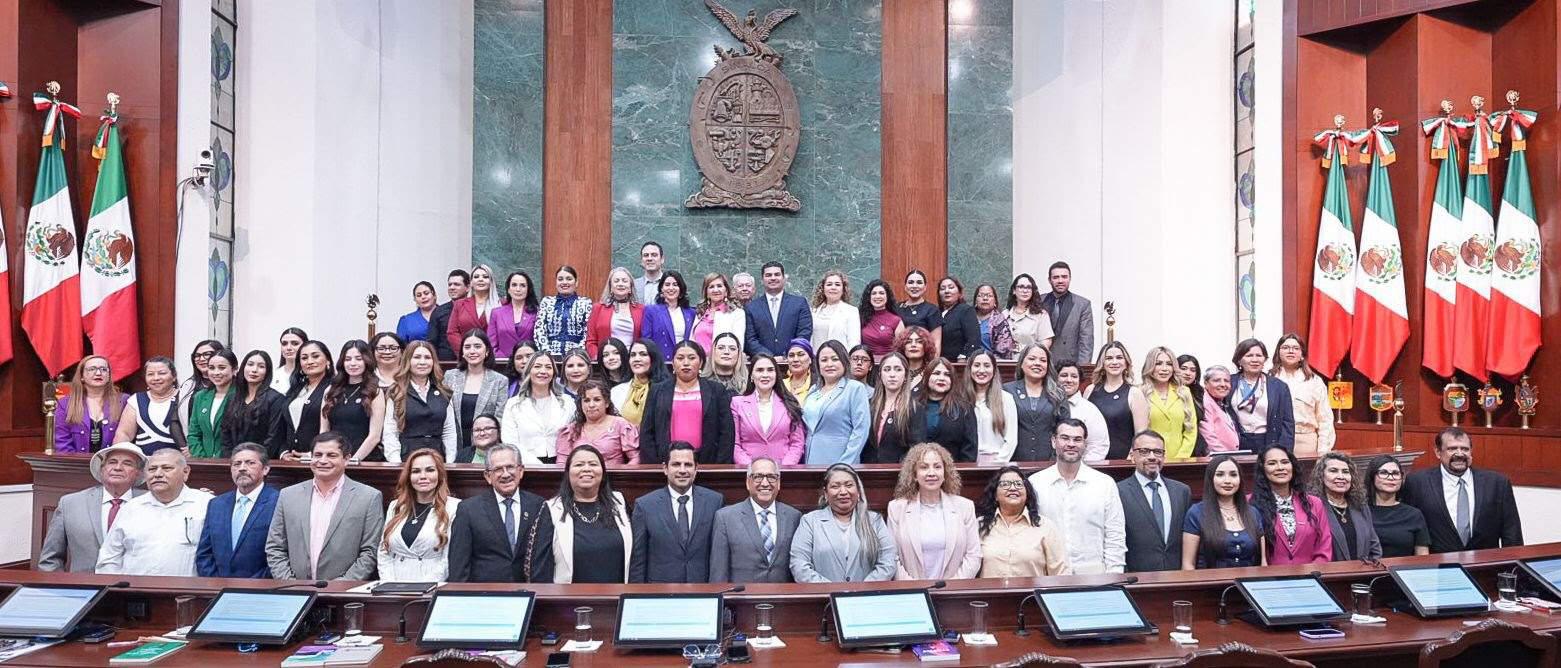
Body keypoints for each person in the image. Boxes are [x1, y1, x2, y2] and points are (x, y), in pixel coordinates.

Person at [265, 433, 386, 580]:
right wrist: (290, 583)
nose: (323, 461)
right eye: (317, 455)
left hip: (343, 595)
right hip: (295, 593)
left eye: (331, 455)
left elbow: (370, 551)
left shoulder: (369, 497)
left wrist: (340, 586)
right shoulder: (288, 495)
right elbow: (275, 547)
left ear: (347, 459)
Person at [1400, 427, 1523, 553]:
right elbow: (1408, 530)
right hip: (1437, 567)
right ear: (1438, 452)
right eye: (1452, 449)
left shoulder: (1497, 483)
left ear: (1471, 452)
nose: (1459, 454)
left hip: (1485, 566)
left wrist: (1514, 568)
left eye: (1465, 449)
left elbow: (1512, 533)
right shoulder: (1417, 482)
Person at [1027, 419, 1126, 574]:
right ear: (1054, 441)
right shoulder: (1036, 483)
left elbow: (1115, 535)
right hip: (1049, 576)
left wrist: (1114, 575)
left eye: (1077, 439)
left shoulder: (1104, 484)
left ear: (1085, 444)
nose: (1071, 444)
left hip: (1094, 577)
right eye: (1065, 438)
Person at [447, 444, 555, 582]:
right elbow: (459, 564)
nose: (505, 474)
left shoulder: (539, 506)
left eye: (510, 467)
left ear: (521, 471)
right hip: (485, 596)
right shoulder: (468, 509)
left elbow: (544, 560)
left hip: (528, 593)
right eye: (498, 469)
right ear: (488, 476)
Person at [96, 449, 213, 576]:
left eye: (166, 468)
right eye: (152, 469)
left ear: (185, 472)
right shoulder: (131, 508)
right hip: (134, 593)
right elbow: (109, 558)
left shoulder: (207, 504)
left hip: (189, 593)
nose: (157, 474)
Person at [39, 443, 146, 572]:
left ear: (138, 473)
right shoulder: (70, 503)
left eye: (127, 463)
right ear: (102, 469)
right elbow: (50, 560)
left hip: (135, 588)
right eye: (112, 462)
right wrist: (62, 590)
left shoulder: (149, 504)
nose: (118, 467)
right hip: (83, 589)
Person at [630, 443, 723, 583]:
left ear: (696, 469)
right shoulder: (645, 505)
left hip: (703, 592)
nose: (682, 470)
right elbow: (638, 560)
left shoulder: (714, 501)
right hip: (660, 594)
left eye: (688, 465)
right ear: (665, 469)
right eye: (676, 464)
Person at [887, 443, 982, 580]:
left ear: (945, 473)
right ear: (914, 475)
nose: (931, 473)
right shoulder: (896, 508)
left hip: (953, 594)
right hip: (913, 595)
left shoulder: (965, 507)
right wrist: (915, 590)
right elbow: (892, 558)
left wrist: (951, 589)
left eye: (937, 467)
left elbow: (973, 556)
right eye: (924, 467)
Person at [790, 463, 897, 583]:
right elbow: (799, 565)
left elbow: (888, 562)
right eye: (835, 486)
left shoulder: (874, 520)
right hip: (824, 598)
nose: (843, 491)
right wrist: (833, 592)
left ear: (858, 491)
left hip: (866, 598)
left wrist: (862, 591)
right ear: (825, 493)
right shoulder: (810, 521)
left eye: (849, 485)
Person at [547, 445, 633, 583]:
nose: (586, 469)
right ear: (568, 472)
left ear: (603, 472)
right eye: (579, 464)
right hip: (567, 600)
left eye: (593, 464)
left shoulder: (620, 503)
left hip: (617, 596)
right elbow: (540, 566)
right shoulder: (552, 509)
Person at [640, 341, 735, 464]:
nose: (686, 363)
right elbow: (647, 431)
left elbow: (726, 432)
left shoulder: (716, 390)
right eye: (680, 358)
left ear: (700, 362)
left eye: (691, 358)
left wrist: (719, 466)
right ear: (673, 363)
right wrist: (655, 465)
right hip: (666, 465)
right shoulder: (657, 390)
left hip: (708, 462)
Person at [711, 458, 802, 583]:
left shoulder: (794, 516)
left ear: (779, 483)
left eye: (771, 477)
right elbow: (719, 572)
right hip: (741, 598)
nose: (765, 483)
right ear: (748, 482)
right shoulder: (725, 517)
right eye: (758, 476)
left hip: (783, 598)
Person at [196, 443, 279, 578]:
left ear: (265, 469)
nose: (242, 468)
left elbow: (282, 553)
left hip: (262, 590)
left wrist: (250, 587)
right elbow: (204, 553)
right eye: (236, 464)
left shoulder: (278, 502)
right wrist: (216, 584)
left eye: (250, 463)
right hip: (217, 590)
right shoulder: (217, 504)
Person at [377, 450, 462, 582]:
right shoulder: (396, 506)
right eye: (416, 471)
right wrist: (389, 584)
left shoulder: (454, 507)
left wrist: (420, 589)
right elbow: (384, 552)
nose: (423, 476)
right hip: (393, 588)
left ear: (439, 474)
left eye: (430, 470)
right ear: (408, 476)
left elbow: (448, 559)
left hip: (432, 587)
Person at [1115, 431, 1191, 572]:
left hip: (1176, 578)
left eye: (1157, 452)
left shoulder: (1181, 491)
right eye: (1144, 451)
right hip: (1136, 580)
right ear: (1132, 456)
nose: (1152, 457)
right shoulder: (1118, 492)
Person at [977, 465, 1071, 577]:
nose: (1012, 488)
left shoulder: (1045, 527)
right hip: (989, 594)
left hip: (1031, 594)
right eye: (1005, 484)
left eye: (1018, 484)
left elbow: (1061, 573)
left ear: (1027, 493)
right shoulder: (979, 525)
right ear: (995, 495)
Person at [1250, 444, 1331, 565]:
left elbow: (1324, 547)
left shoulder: (1314, 503)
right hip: (1268, 579)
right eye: (1272, 463)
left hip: (1310, 578)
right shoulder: (1250, 503)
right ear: (1263, 469)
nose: (1280, 467)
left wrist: (1311, 574)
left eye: (1285, 462)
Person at [1182, 455, 1266, 569]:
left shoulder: (1253, 513)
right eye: (1220, 475)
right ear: (1211, 478)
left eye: (1233, 475)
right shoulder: (1196, 513)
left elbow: (1263, 563)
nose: (1227, 481)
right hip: (1208, 585)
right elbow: (1188, 565)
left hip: (1247, 584)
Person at [382, 341, 457, 463]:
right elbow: (390, 432)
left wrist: (449, 462)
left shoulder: (444, 392)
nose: (422, 362)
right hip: (406, 458)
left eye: (427, 357)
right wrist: (396, 463)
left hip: (437, 458)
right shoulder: (396, 392)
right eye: (417, 357)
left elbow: (449, 432)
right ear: (408, 361)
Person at [802, 341, 873, 465]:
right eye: (824, 360)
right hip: (810, 461)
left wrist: (844, 464)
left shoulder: (854, 388)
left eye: (835, 359)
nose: (829, 364)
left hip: (840, 462)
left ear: (844, 362)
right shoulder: (814, 390)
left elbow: (861, 431)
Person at [445, 331, 510, 462]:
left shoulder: (499, 380)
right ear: (462, 352)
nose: (472, 351)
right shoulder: (450, 376)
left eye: (477, 346)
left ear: (487, 351)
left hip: (485, 446)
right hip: (454, 441)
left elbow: (499, 417)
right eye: (467, 347)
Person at [732, 355, 806, 466]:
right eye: (760, 370)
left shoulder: (790, 402)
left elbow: (797, 443)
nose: (765, 375)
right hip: (749, 472)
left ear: (776, 375)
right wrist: (753, 470)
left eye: (770, 370)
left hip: (784, 471)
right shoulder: (737, 403)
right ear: (751, 375)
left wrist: (783, 469)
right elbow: (735, 444)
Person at [320, 340, 387, 462]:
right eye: (348, 359)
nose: (353, 363)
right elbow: (324, 431)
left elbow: (374, 436)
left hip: (364, 460)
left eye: (358, 359)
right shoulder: (331, 390)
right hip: (335, 459)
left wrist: (353, 460)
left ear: (367, 361)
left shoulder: (375, 392)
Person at [501, 353, 573, 466]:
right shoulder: (513, 404)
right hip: (526, 466)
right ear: (529, 370)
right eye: (537, 366)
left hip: (562, 465)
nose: (543, 371)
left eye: (548, 367)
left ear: (554, 373)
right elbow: (510, 442)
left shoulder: (567, 402)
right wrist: (537, 466)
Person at [1309, 452, 1382, 562]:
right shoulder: (1313, 507)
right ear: (1321, 476)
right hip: (1328, 575)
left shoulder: (1360, 506)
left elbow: (1374, 546)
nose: (1341, 476)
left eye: (1345, 472)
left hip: (1363, 575)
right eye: (1333, 471)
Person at [1272, 334, 1336, 456]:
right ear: (1278, 353)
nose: (1291, 351)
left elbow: (1325, 419)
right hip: (1276, 440)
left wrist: (1323, 451)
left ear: (1302, 355)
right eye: (1285, 347)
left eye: (1296, 348)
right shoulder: (1268, 379)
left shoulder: (1314, 381)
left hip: (1306, 442)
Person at [1227, 338, 1295, 451]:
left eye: (1259, 355)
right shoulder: (1229, 382)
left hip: (1268, 442)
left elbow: (1287, 423)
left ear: (1264, 360)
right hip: (1236, 441)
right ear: (1239, 360)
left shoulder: (1279, 387)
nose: (1255, 360)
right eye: (1249, 356)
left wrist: (1284, 452)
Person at [1005, 343, 1069, 461]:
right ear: (1022, 363)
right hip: (1014, 462)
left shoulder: (1058, 393)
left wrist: (1055, 458)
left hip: (1049, 462)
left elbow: (1065, 428)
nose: (1037, 363)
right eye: (1032, 359)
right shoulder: (1007, 391)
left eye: (1043, 360)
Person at [221, 351, 289, 456]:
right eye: (250, 364)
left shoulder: (276, 398)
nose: (254, 370)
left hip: (263, 462)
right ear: (243, 367)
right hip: (233, 461)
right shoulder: (233, 398)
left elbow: (273, 437)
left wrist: (255, 459)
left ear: (267, 371)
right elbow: (225, 433)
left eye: (261, 366)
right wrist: (232, 458)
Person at [1085, 341, 1146, 460]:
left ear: (1126, 363)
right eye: (1109, 358)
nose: (1114, 362)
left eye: (1119, 358)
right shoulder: (1090, 390)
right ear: (1102, 363)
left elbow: (1141, 434)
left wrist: (1131, 458)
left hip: (1123, 462)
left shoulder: (1134, 393)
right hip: (1093, 461)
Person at [53, 355, 126, 454]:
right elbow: (62, 442)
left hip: (114, 464)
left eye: (104, 369)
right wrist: (76, 465)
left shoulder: (124, 401)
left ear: (109, 376)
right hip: (76, 465)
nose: (98, 373)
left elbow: (128, 438)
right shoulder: (65, 404)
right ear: (82, 376)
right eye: (92, 369)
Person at [556, 380, 640, 465]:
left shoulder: (621, 425)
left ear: (606, 403)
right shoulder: (571, 430)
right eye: (586, 400)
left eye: (597, 400)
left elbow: (636, 457)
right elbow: (562, 463)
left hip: (614, 477)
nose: (591, 405)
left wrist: (623, 475)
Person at [911, 358, 979, 462]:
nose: (942, 378)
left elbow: (970, 448)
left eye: (947, 375)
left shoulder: (964, 408)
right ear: (927, 377)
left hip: (954, 470)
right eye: (936, 373)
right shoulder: (912, 405)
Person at [113, 357, 181, 455]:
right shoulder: (136, 400)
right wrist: (119, 457)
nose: (156, 378)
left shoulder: (186, 398)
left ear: (174, 376)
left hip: (178, 462)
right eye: (150, 374)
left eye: (162, 373)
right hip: (145, 462)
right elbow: (124, 434)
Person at [1364, 455, 1430, 558]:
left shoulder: (1414, 514)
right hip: (1367, 572)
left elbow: (1422, 556)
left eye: (1395, 473)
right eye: (1384, 473)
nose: (1390, 478)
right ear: (1372, 477)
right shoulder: (1360, 512)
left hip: (1404, 572)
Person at [1140, 346, 1198, 459]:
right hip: (1149, 459)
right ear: (1150, 366)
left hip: (1179, 461)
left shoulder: (1184, 392)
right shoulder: (1139, 393)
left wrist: (1181, 458)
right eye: (1159, 363)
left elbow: (1191, 430)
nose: (1164, 368)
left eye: (1169, 364)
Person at [744, 261, 813, 356]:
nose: (773, 278)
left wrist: (787, 355)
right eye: (768, 275)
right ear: (762, 280)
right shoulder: (751, 307)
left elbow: (804, 333)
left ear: (784, 278)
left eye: (777, 274)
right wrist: (770, 358)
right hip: (763, 364)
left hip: (793, 361)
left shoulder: (799, 303)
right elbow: (750, 339)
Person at [280, 341, 332, 459]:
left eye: (315, 356)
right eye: (304, 358)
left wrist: (314, 454)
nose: (309, 361)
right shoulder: (295, 388)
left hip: (319, 459)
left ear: (327, 360)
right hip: (291, 460)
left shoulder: (334, 388)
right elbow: (284, 425)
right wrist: (283, 452)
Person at [967, 350, 1017, 464]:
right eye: (976, 365)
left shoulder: (1006, 399)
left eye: (987, 366)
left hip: (997, 462)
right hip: (968, 461)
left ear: (994, 370)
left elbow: (1011, 439)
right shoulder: (961, 398)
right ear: (970, 369)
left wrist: (997, 463)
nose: (981, 370)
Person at [1040, 262, 1094, 365]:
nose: (1060, 280)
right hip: (1042, 363)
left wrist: (1082, 369)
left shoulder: (1082, 305)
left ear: (1070, 278)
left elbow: (1086, 342)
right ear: (1049, 280)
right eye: (1056, 277)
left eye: (1064, 277)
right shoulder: (1038, 301)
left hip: (1069, 365)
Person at [585, 266, 644, 358]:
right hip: (607, 360)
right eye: (616, 281)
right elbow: (591, 341)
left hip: (633, 360)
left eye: (624, 281)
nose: (620, 284)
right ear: (611, 287)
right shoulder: (598, 309)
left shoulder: (642, 310)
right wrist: (598, 357)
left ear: (630, 287)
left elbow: (646, 339)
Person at [535, 265, 594, 356]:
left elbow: (588, 331)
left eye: (569, 279)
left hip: (577, 357)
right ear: (556, 282)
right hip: (549, 357)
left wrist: (577, 353)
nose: (564, 282)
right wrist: (547, 353)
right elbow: (539, 330)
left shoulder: (585, 303)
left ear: (576, 282)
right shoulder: (546, 302)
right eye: (560, 279)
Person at [866, 353, 914, 463]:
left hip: (898, 472)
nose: (892, 374)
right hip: (868, 471)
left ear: (906, 375)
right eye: (887, 369)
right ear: (880, 375)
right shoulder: (869, 405)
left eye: (898, 369)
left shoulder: (915, 408)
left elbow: (916, 446)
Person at [1055, 362, 1109, 462]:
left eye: (1074, 376)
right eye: (1063, 375)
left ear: (1080, 381)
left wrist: (1080, 469)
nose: (1069, 380)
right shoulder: (1046, 406)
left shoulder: (1089, 410)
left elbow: (1098, 446)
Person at [610, 339, 667, 426]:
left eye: (643, 354)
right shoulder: (616, 391)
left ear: (653, 358)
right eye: (633, 355)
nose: (637, 359)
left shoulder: (666, 389)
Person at [446, 264, 499, 355]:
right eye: (476, 277)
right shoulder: (460, 304)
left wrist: (488, 352)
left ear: (491, 281)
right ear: (471, 283)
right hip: (467, 356)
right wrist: (466, 350)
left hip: (493, 356)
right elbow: (452, 332)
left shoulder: (501, 304)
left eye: (485, 277)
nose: (480, 279)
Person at [641, 271, 697, 356]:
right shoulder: (651, 311)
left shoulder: (691, 313)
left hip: (684, 361)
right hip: (661, 362)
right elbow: (647, 341)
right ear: (661, 289)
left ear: (681, 289)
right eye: (667, 285)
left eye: (675, 284)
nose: (671, 288)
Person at [691, 272, 746, 356]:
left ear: (726, 291)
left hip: (721, 363)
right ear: (706, 292)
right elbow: (692, 340)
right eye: (711, 287)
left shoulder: (736, 313)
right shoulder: (701, 312)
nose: (716, 290)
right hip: (698, 363)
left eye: (719, 286)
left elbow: (738, 344)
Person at [488, 271, 540, 358]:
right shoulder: (496, 313)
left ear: (528, 289)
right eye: (514, 285)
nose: (518, 289)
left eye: (522, 285)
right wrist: (501, 359)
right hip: (502, 363)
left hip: (529, 363)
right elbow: (491, 343)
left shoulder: (537, 312)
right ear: (508, 289)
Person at [176, 340, 225, 428]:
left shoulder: (234, 386)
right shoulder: (188, 385)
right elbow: (175, 421)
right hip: (191, 439)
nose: (201, 359)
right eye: (197, 356)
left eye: (207, 354)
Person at [810, 270, 860, 350]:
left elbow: (854, 342)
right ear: (823, 288)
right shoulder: (813, 312)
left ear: (843, 289)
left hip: (841, 360)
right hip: (817, 360)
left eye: (837, 284)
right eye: (829, 284)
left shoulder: (851, 312)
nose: (833, 287)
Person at [427, 269, 470, 362]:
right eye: (450, 284)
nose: (452, 287)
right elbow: (432, 341)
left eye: (457, 284)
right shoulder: (438, 311)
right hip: (445, 363)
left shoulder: (475, 309)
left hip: (471, 360)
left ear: (468, 287)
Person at [896, 270, 943, 354]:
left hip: (923, 359)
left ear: (925, 287)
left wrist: (932, 365)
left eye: (919, 282)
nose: (914, 286)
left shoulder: (932, 310)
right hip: (900, 359)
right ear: (905, 287)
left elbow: (936, 343)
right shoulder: (896, 308)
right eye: (911, 282)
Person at [1005, 273, 1054, 352]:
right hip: (1007, 362)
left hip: (1031, 361)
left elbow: (1046, 342)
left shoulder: (1041, 315)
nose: (1025, 291)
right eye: (1021, 287)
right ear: (1014, 290)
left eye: (1029, 287)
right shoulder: (1005, 314)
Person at [935, 277, 981, 360]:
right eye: (942, 288)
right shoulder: (935, 312)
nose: (947, 291)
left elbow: (973, 339)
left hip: (958, 364)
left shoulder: (965, 310)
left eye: (951, 287)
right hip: (938, 363)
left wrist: (963, 357)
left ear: (959, 293)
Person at [1198, 365, 1241, 453]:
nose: (1223, 384)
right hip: (1219, 459)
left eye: (1226, 381)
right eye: (1217, 380)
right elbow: (1208, 436)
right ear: (1206, 383)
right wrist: (1225, 457)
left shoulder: (1222, 402)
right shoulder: (1204, 402)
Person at [858, 279, 905, 358]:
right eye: (874, 293)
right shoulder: (860, 318)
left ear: (887, 296)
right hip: (866, 365)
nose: (877, 296)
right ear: (869, 297)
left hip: (888, 365)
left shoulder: (896, 320)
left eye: (881, 293)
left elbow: (901, 350)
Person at [1176, 354, 1209, 456]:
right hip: (1176, 444)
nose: (1188, 373)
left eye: (1192, 370)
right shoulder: (1169, 392)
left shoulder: (1200, 393)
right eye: (1183, 369)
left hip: (1197, 446)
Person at [972, 283, 1015, 358]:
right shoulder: (967, 318)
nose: (985, 298)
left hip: (992, 364)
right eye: (981, 295)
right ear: (975, 301)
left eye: (989, 296)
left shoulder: (1000, 321)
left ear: (995, 302)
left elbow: (1005, 350)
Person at [395, 280, 440, 345]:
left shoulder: (447, 314)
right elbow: (401, 346)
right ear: (415, 299)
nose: (423, 297)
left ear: (434, 295)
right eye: (419, 295)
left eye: (426, 293)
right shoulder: (406, 320)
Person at [272, 327, 310, 393]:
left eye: (295, 343)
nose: (288, 348)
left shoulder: (311, 374)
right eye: (284, 344)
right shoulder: (273, 375)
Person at [782, 338, 818, 404]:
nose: (795, 359)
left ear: (810, 359)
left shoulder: (818, 385)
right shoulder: (781, 384)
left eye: (801, 355)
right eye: (791, 355)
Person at [633, 240, 667, 305]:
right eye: (646, 255)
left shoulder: (671, 285)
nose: (649, 258)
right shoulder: (633, 285)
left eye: (654, 255)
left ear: (662, 259)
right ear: (641, 260)